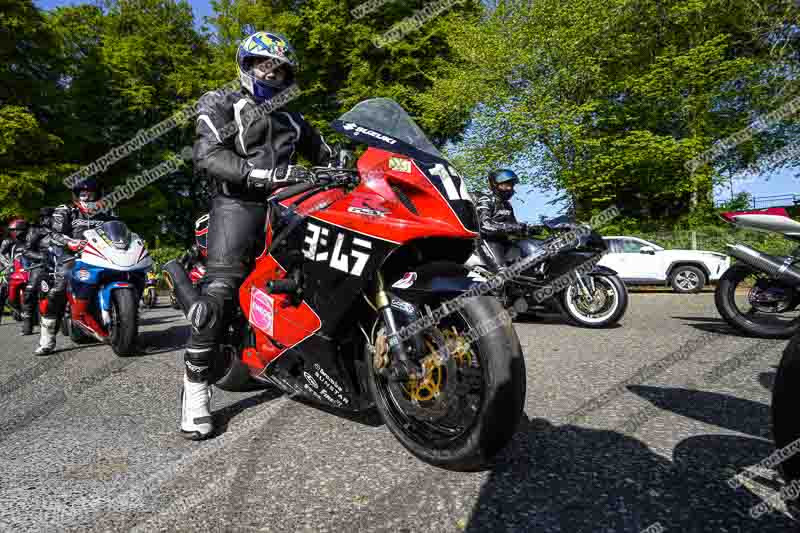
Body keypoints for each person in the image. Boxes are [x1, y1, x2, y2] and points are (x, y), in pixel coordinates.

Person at [182, 30, 334, 440]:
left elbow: (327, 156)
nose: (272, 72)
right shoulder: (220, 102)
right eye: (264, 64)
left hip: (290, 204)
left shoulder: (294, 119)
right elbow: (208, 154)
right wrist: (255, 174)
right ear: (246, 65)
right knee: (219, 291)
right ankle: (195, 391)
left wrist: (348, 164)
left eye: (280, 67)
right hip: (238, 203)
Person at [35, 177, 115, 355]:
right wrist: (69, 241)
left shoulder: (107, 212)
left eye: (90, 193)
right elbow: (54, 233)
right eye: (83, 193)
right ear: (77, 194)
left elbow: (119, 229)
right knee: (60, 286)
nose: (86, 196)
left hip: (101, 255)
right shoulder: (65, 211)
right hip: (71, 255)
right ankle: (47, 339)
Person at [474, 169, 542, 271]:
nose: (509, 188)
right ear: (495, 185)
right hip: (488, 242)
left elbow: (515, 227)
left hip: (506, 243)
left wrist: (530, 230)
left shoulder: (507, 205)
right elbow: (485, 225)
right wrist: (514, 227)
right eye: (505, 185)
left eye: (511, 185)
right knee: (502, 274)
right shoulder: (486, 199)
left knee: (529, 262)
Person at [20, 208, 55, 335]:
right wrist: (41, 257)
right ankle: (27, 323)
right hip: (42, 265)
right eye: (47, 217)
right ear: (42, 219)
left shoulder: (65, 230)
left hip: (63, 263)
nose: (51, 219)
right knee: (30, 292)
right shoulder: (36, 231)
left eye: (53, 216)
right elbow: (26, 251)